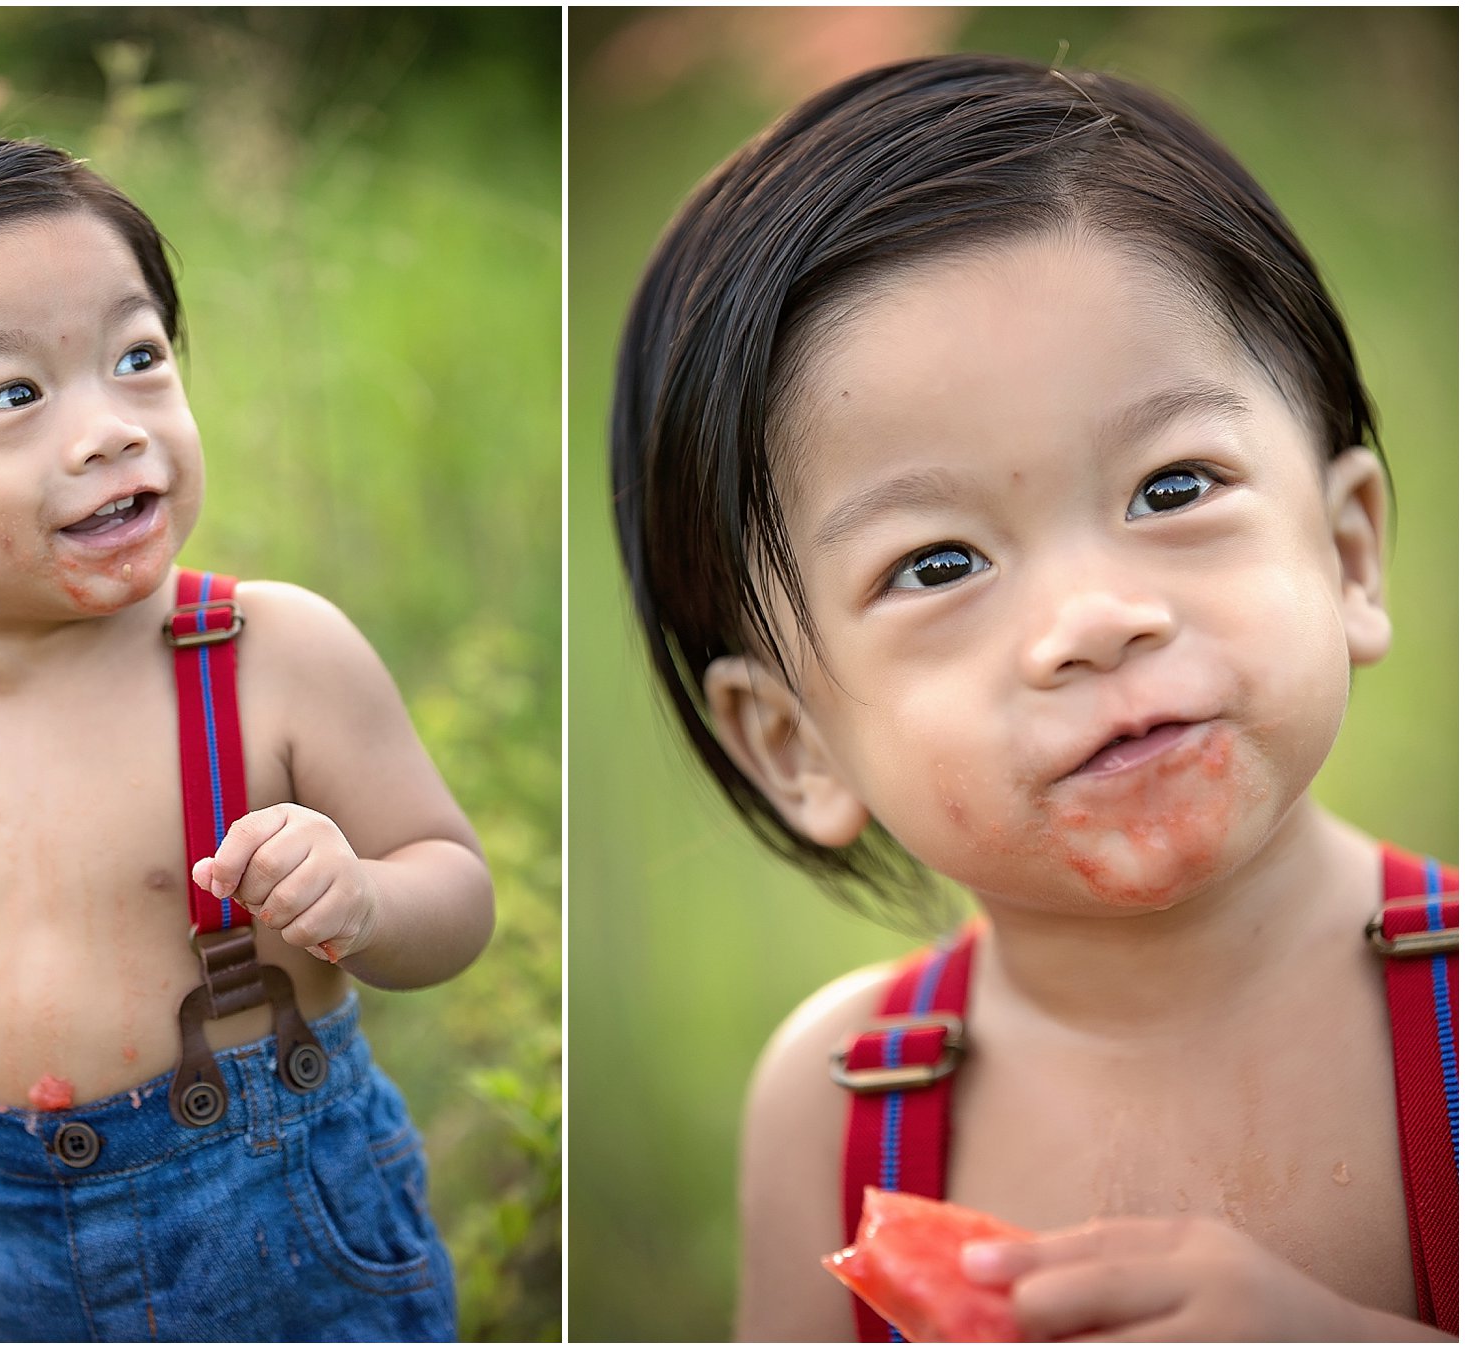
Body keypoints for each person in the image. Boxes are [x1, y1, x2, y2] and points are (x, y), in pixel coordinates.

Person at [609, 54, 1455, 1342]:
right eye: (937, 564)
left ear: (1345, 553)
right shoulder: (841, 1108)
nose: (1091, 621)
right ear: (794, 744)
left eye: (1173, 488)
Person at [0, 129, 494, 1341]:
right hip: (10, 1225)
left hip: (270, 1212)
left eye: (136, 356)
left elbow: (454, 888)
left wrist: (362, 898)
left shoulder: (271, 652)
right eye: (16, 394)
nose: (108, 427)